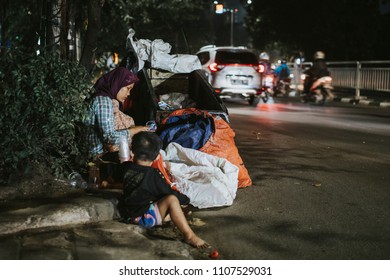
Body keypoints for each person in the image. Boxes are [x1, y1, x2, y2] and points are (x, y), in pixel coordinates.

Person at [118, 131, 209, 248]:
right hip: (143, 218)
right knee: (172, 200)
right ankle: (189, 235)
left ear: (132, 150)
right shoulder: (153, 175)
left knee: (161, 200)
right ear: (157, 157)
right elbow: (169, 192)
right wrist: (186, 200)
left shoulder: (125, 167)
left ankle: (173, 216)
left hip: (128, 214)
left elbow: (109, 170)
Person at [85, 66, 148, 162]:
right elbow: (109, 138)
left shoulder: (108, 100)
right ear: (117, 84)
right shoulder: (103, 101)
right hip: (97, 157)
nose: (129, 93)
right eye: (128, 88)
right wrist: (136, 129)